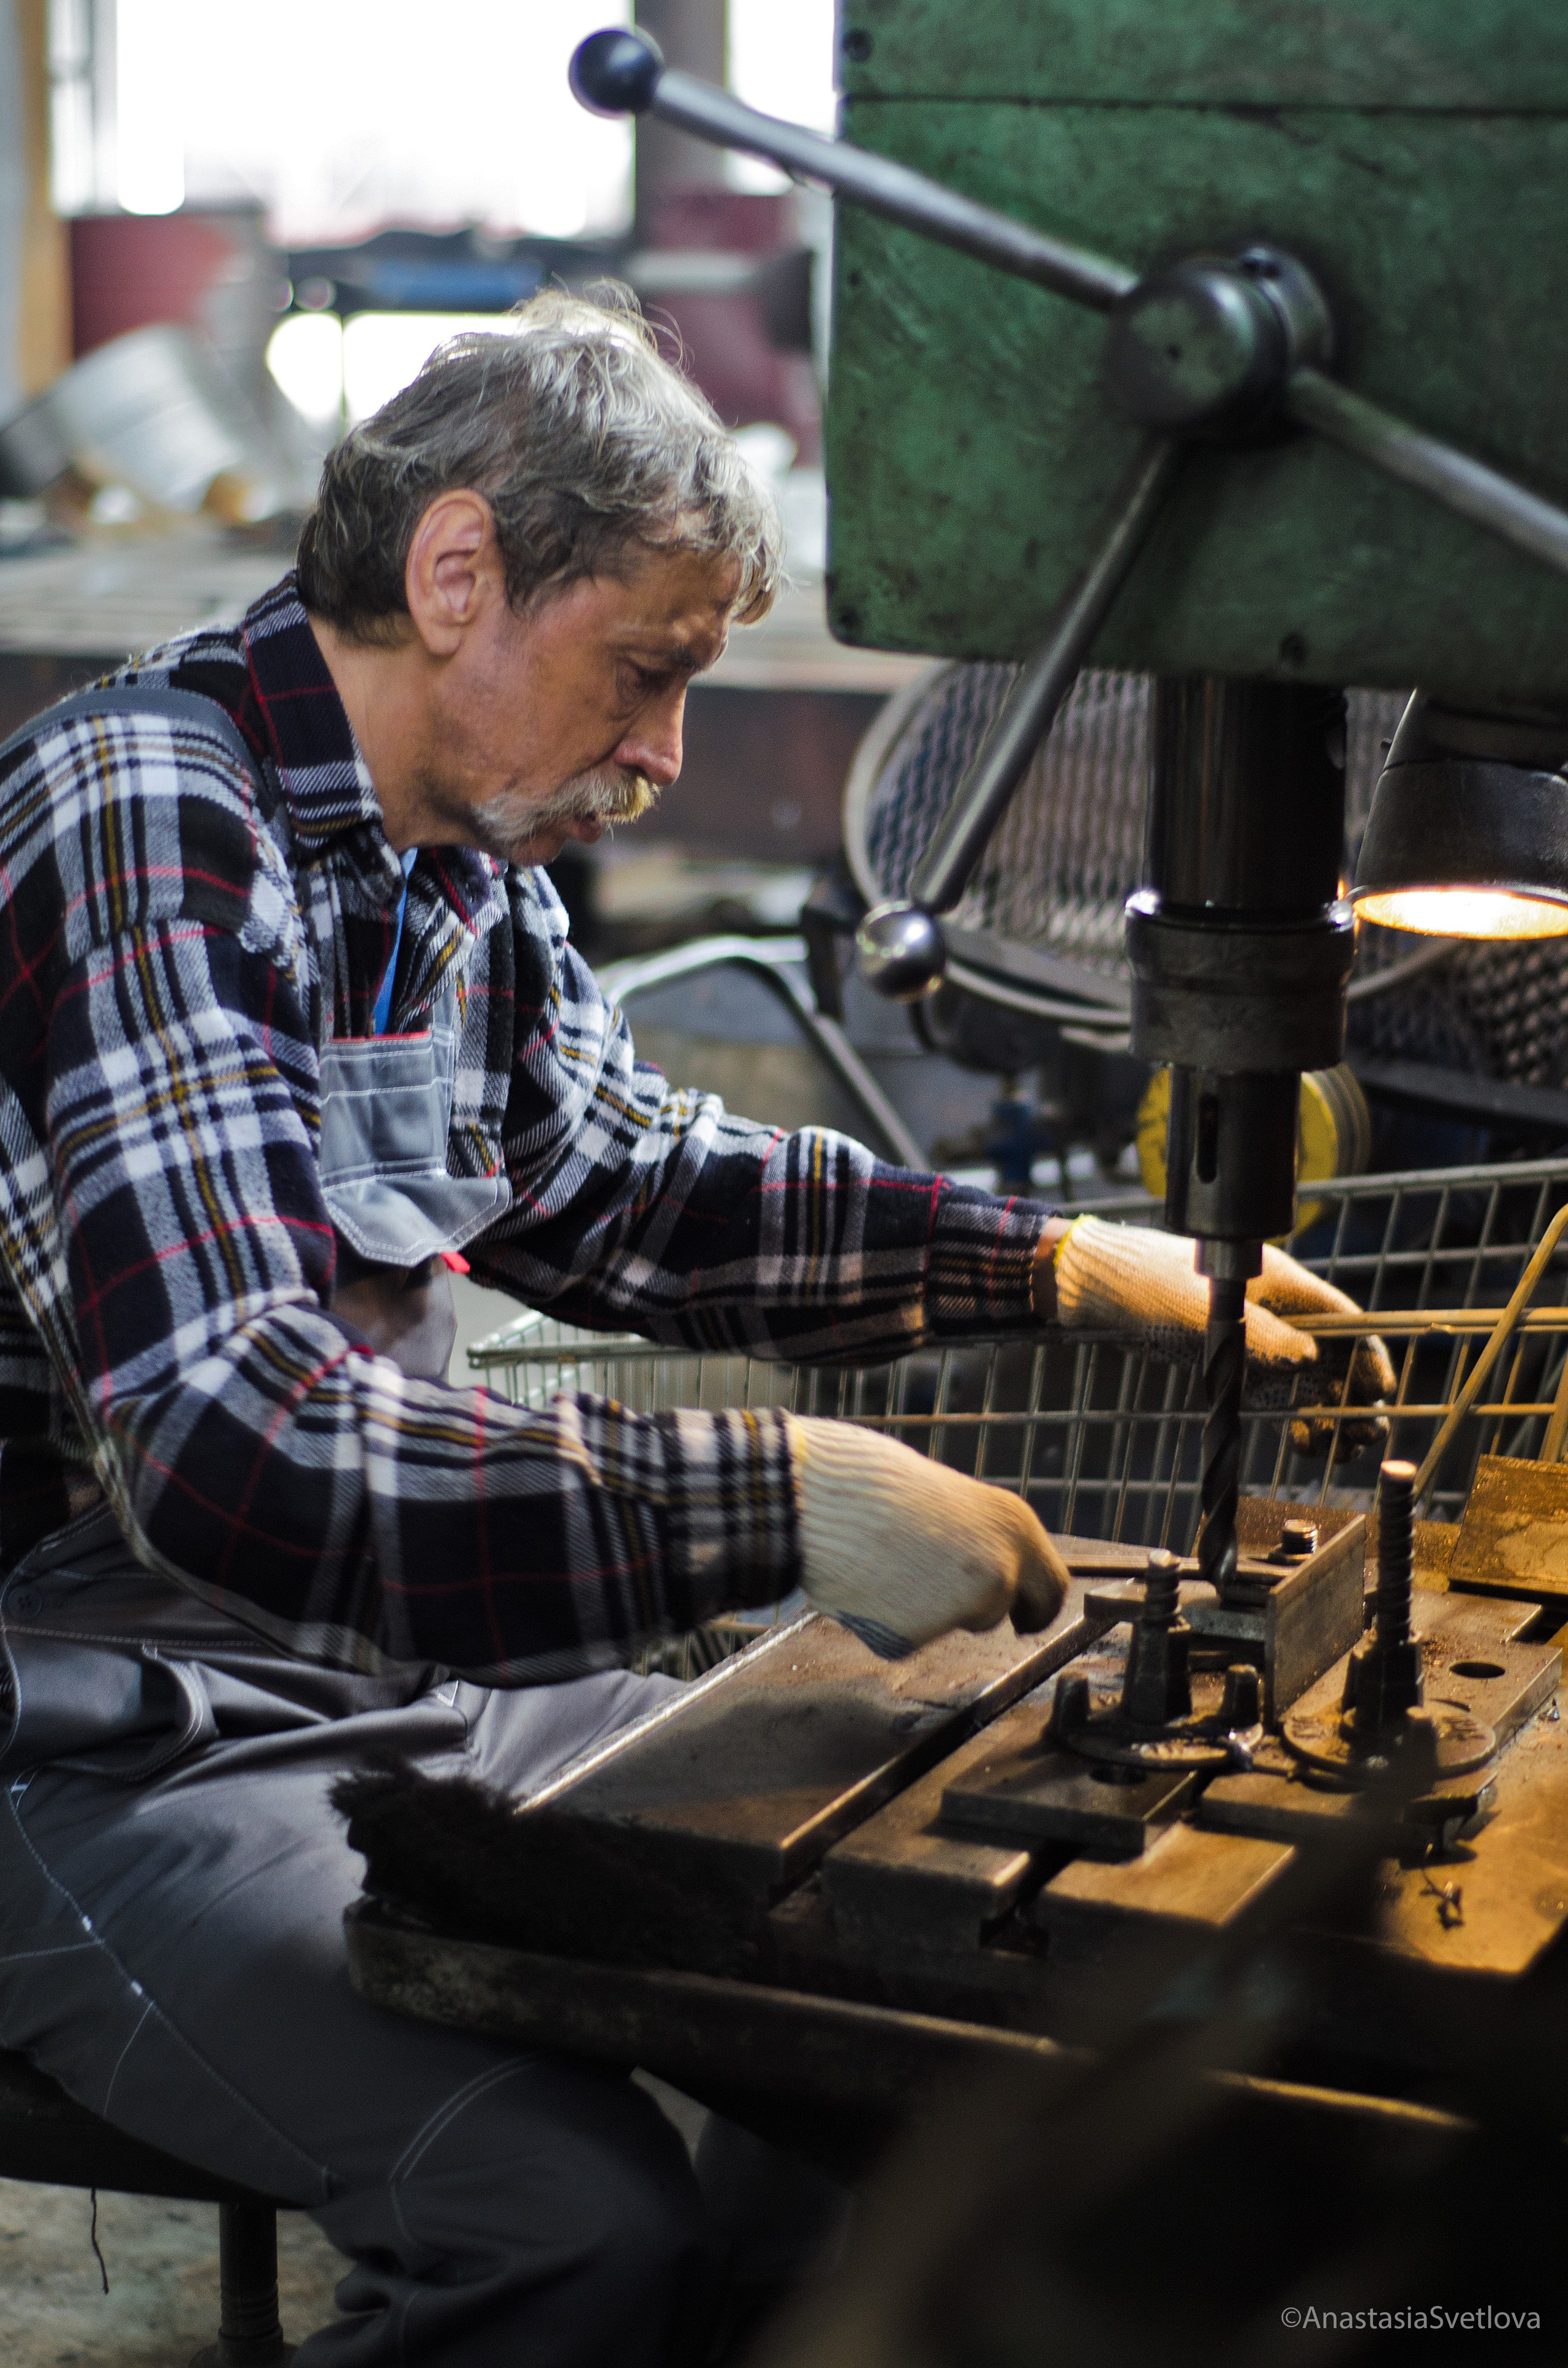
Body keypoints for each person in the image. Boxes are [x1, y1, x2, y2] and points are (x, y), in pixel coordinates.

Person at [0, 291, 1387, 2365]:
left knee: (873, 2048)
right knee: (565, 2229)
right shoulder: (141, 814)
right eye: (644, 671)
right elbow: (235, 1438)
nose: (661, 754)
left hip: (414, 1670)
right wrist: (785, 1494)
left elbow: (644, 1189)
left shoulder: (458, 867)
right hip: (107, 1739)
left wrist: (1059, 1266)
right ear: (456, 569)